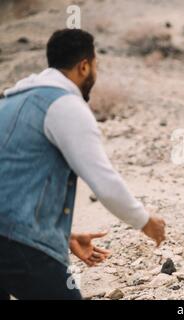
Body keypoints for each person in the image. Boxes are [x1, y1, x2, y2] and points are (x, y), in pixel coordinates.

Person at [0, 29, 166, 299]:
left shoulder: (9, 103)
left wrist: (61, 236)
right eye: (95, 66)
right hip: (18, 242)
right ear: (84, 66)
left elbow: (12, 181)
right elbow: (104, 181)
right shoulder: (66, 106)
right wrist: (145, 221)